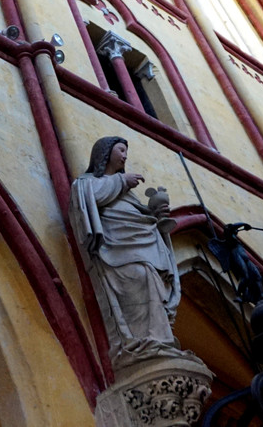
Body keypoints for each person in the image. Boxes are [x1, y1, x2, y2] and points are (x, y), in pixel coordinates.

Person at [70, 136, 184, 366]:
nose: (125, 155)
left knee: (152, 283)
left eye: (126, 151)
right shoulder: (86, 183)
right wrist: (122, 181)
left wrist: (155, 215)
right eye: (121, 150)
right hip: (116, 249)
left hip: (142, 247)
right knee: (137, 279)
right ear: (105, 153)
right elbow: (94, 198)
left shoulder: (128, 193)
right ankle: (140, 343)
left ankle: (159, 340)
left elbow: (141, 217)